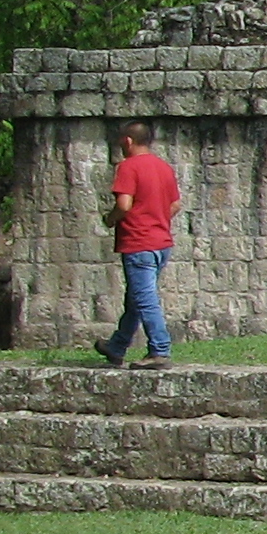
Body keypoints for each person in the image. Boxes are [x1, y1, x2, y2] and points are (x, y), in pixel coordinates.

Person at [97, 119, 181, 367]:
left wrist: (110, 219)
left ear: (128, 141)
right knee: (135, 298)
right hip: (161, 242)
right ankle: (117, 346)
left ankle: (160, 349)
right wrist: (155, 218)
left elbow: (124, 204)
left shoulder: (128, 167)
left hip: (138, 242)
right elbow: (175, 204)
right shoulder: (164, 167)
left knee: (144, 298)